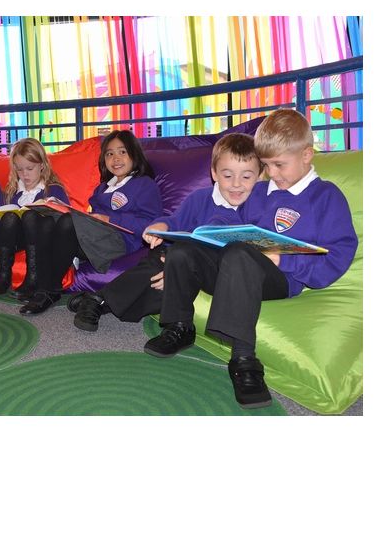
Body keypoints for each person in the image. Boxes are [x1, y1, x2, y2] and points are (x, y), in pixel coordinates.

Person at [144, 109, 358, 409]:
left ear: (307, 155)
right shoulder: (259, 192)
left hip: (283, 279)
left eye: (279, 165)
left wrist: (284, 260)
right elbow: (227, 222)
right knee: (183, 251)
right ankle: (179, 326)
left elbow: (336, 259)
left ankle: (244, 360)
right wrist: (197, 236)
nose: (272, 173)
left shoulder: (326, 197)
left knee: (241, 253)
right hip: (234, 269)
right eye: (267, 165)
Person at [71, 133, 262, 332]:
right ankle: (100, 301)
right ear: (214, 174)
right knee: (158, 263)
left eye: (246, 176)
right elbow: (174, 221)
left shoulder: (259, 206)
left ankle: (99, 300)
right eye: (228, 176)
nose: (236, 183)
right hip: (177, 254)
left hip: (206, 265)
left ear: (260, 176)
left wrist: (178, 271)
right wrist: (160, 226)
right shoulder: (200, 198)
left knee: (166, 282)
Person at [18, 129, 163, 316]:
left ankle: (49, 289)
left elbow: (150, 223)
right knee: (45, 220)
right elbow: (93, 216)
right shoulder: (103, 188)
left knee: (68, 221)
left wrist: (110, 218)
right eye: (109, 154)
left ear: (134, 154)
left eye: (122, 152)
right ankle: (37, 281)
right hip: (93, 237)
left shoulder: (144, 184)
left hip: (118, 242)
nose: (115, 159)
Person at [0, 137, 69, 298]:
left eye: (29, 168)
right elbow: (4, 224)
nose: (24, 174)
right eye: (19, 169)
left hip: (41, 239)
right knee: (10, 217)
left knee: (30, 215)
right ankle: (3, 276)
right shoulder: (13, 192)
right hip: (16, 240)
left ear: (42, 165)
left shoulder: (53, 189)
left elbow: (65, 222)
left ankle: (33, 277)